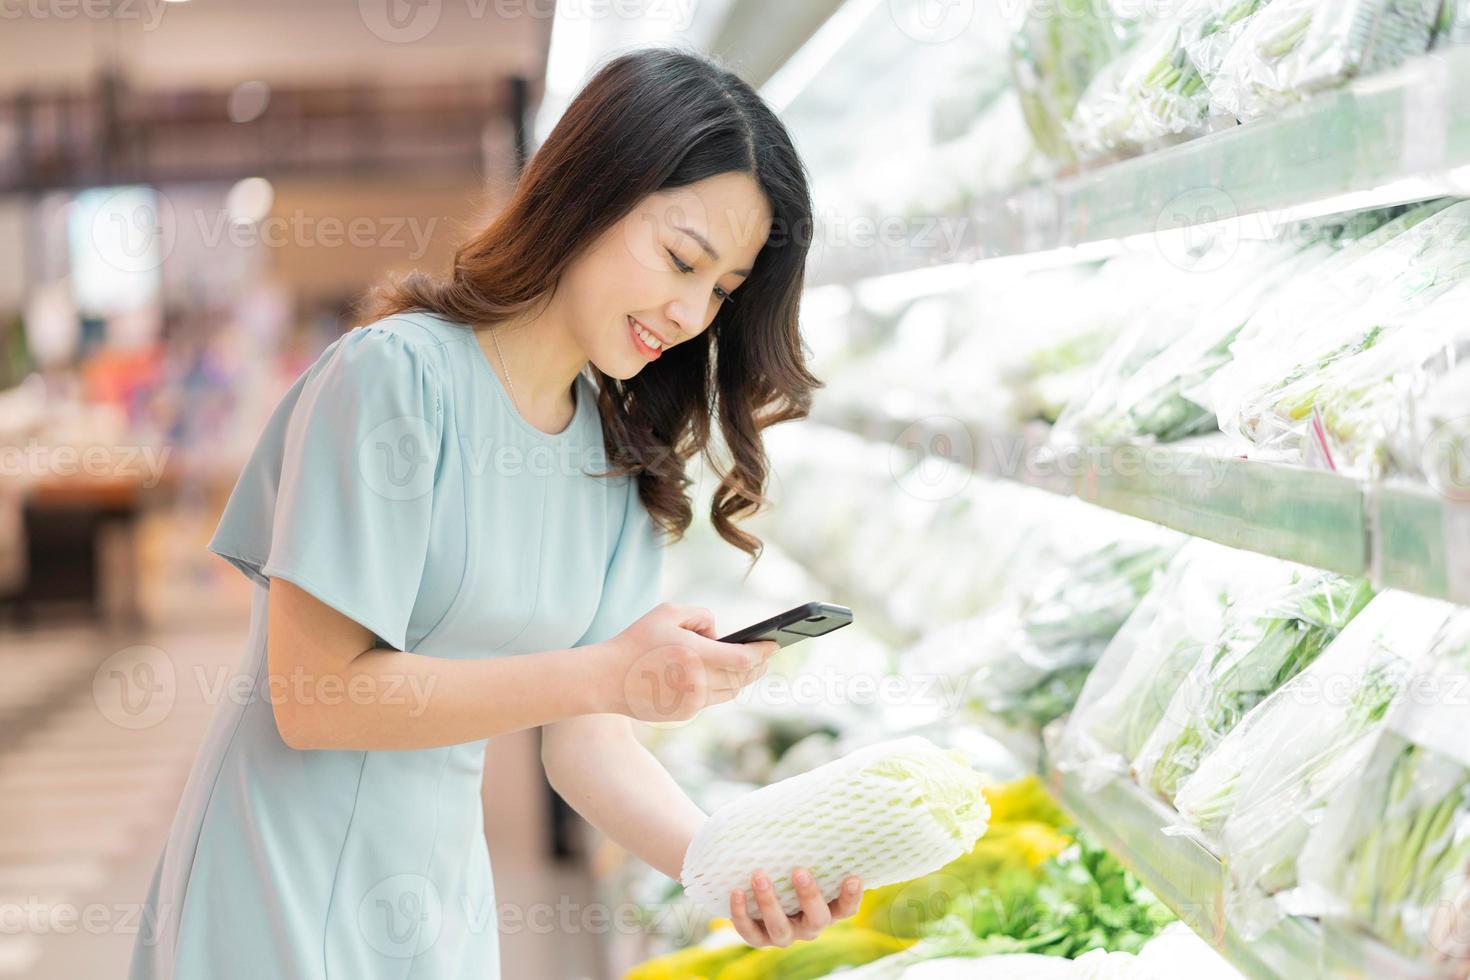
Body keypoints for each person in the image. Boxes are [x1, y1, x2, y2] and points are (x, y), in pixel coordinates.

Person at [129, 46, 862, 979]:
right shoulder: (394, 380)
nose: (689, 312)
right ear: (590, 191)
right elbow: (316, 697)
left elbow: (588, 746)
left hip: (431, 903)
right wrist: (605, 673)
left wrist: (727, 867)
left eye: (721, 292)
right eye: (682, 258)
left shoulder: (620, 458)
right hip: (271, 880)